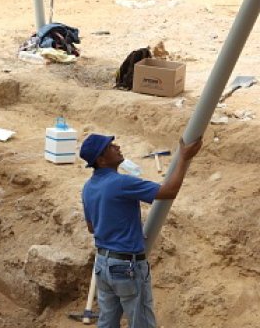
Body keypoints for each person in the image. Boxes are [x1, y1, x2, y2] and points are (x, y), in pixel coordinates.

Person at [80, 134, 203, 328]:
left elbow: (92, 227)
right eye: (111, 147)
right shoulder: (121, 183)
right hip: (126, 267)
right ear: (101, 160)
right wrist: (184, 158)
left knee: (107, 323)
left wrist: (124, 231)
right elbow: (169, 191)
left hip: (103, 265)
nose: (117, 147)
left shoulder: (88, 187)